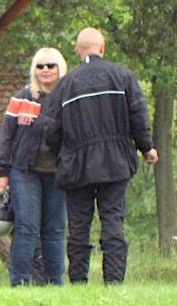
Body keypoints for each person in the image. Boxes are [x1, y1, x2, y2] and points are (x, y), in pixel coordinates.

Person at [44, 28, 156, 285]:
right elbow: (138, 115)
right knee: (113, 221)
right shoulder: (123, 76)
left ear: (78, 51)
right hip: (116, 163)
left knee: (78, 226)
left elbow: (50, 129)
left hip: (76, 166)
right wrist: (147, 147)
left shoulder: (65, 85)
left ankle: (78, 281)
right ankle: (113, 282)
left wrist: (62, 155)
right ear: (102, 48)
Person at [0, 48, 69, 286]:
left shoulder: (69, 99)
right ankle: (20, 281)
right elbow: (6, 137)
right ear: (34, 70)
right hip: (24, 172)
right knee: (26, 226)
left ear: (60, 68)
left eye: (50, 65)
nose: (45, 70)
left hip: (59, 173)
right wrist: (1, 173)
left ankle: (55, 282)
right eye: (40, 66)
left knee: (55, 229)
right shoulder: (21, 99)